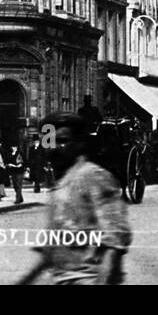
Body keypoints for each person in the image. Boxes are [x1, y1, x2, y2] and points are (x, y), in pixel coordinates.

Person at [20, 113, 130, 285]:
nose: (54, 148)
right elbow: (50, 252)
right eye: (49, 141)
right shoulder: (61, 184)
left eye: (62, 140)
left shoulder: (93, 176)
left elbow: (113, 244)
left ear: (79, 143)